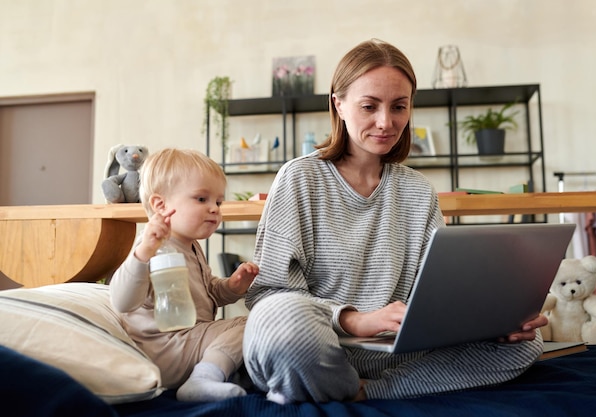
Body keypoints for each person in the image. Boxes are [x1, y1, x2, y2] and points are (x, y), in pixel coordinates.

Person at [242, 39, 548, 404]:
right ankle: (351, 383)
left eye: (399, 107)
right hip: (319, 346)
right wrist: (352, 320)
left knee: (527, 344)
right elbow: (267, 294)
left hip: (398, 352)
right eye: (369, 106)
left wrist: (495, 321)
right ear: (338, 104)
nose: (386, 122)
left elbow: (439, 292)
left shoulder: (418, 191)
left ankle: (366, 392)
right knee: (281, 318)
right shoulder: (299, 178)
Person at [109, 148, 259, 402]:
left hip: (192, 340)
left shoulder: (191, 246)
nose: (214, 209)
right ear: (161, 205)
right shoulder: (149, 247)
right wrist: (144, 252)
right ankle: (201, 380)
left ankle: (223, 375)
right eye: (202, 199)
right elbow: (122, 301)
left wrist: (233, 287)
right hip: (166, 349)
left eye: (218, 202)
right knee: (250, 323)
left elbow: (208, 292)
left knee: (258, 337)